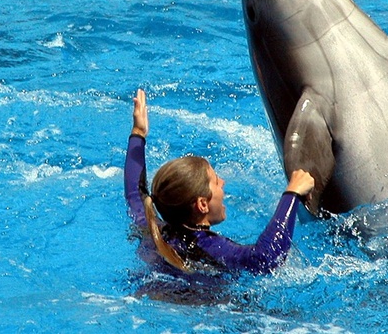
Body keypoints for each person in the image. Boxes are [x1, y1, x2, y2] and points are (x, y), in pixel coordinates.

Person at [124, 88, 315, 275]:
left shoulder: (152, 230)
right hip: (204, 304)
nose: (223, 182)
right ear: (202, 204)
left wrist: (138, 133)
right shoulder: (207, 247)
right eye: (216, 182)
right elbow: (265, 259)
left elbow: (135, 193)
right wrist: (292, 193)